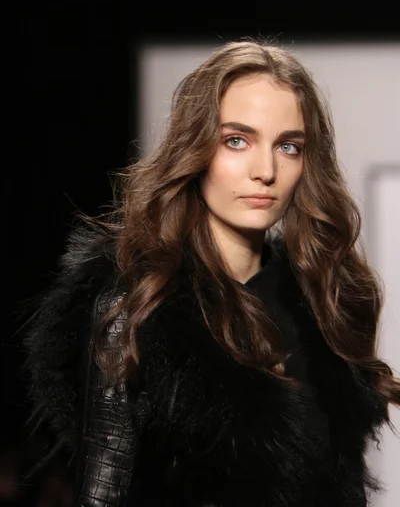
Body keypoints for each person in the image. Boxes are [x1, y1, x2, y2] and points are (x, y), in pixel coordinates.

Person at [23, 40, 400, 507]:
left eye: (288, 146)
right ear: (195, 148)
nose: (266, 170)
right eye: (236, 140)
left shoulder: (327, 300)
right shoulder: (138, 305)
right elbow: (103, 494)